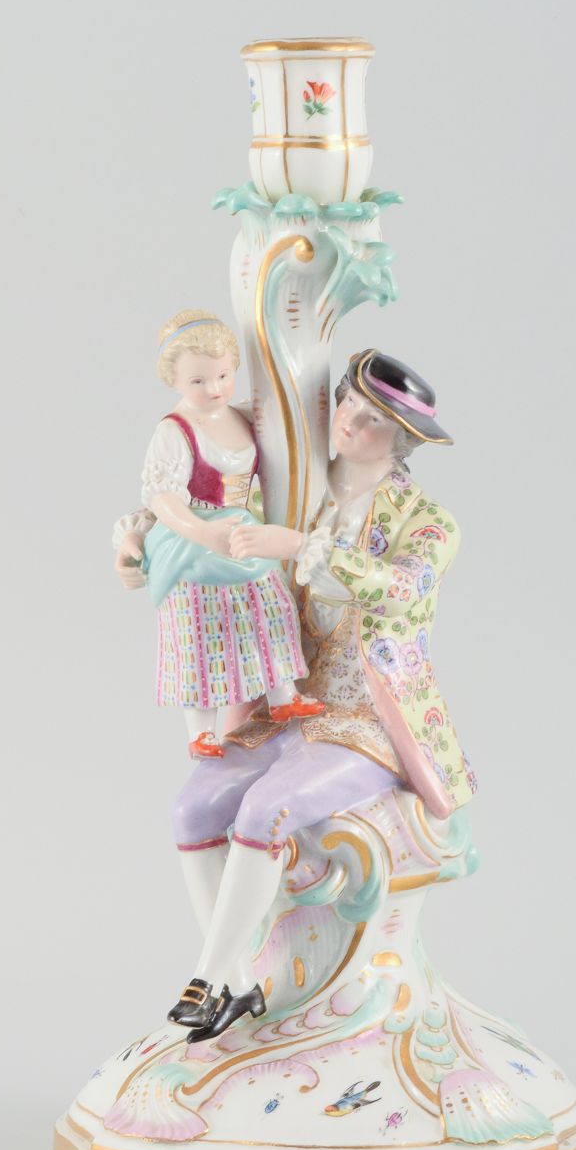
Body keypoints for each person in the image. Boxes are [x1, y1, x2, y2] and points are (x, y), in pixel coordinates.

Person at [116, 349, 476, 1040]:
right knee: (193, 807)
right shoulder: (290, 484)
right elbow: (204, 511)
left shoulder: (426, 521)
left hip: (366, 714)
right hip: (285, 702)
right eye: (348, 405)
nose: (351, 423)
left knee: (266, 807)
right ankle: (241, 980)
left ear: (403, 441)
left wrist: (302, 546)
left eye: (374, 421)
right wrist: (143, 541)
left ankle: (207, 977)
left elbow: (402, 589)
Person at [114, 309, 322, 759]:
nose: (214, 389)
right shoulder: (174, 431)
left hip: (241, 531)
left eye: (223, 376)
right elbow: (162, 497)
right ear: (174, 380)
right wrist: (202, 533)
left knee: (270, 609)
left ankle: (284, 694)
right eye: (199, 381)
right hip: (192, 539)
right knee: (201, 634)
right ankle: (200, 730)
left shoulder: (242, 416)